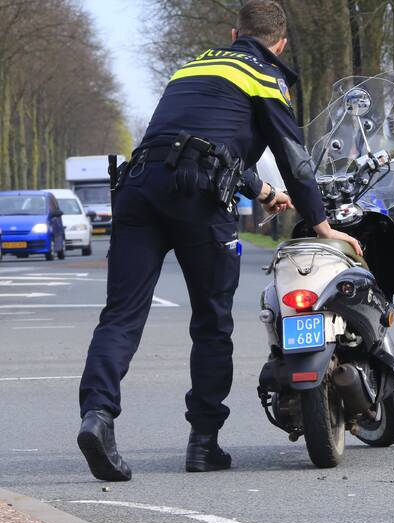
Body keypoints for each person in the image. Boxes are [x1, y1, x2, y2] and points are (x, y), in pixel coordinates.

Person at [77, 0, 363, 481]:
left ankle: (97, 417)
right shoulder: (266, 76)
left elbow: (194, 142)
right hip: (198, 203)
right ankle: (203, 443)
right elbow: (293, 155)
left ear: (234, 33)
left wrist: (263, 191)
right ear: (282, 44)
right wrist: (320, 223)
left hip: (139, 186)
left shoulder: (191, 67)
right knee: (212, 323)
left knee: (121, 316)